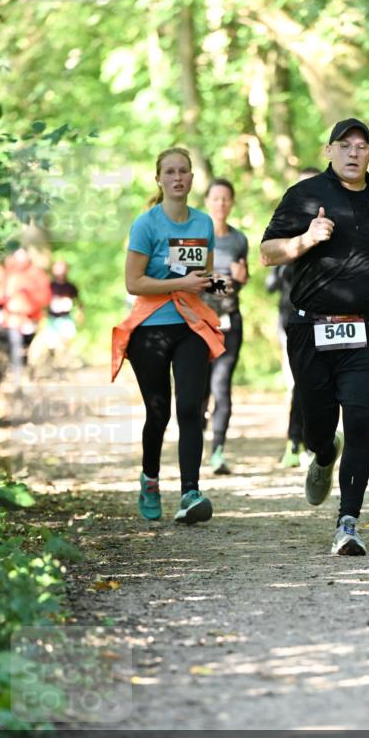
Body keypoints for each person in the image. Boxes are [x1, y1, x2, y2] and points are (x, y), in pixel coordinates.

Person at [261, 118, 369, 556]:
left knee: (359, 420)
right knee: (318, 424)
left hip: (367, 327)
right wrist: (305, 239)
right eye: (345, 145)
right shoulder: (305, 195)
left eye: (362, 146)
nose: (354, 153)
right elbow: (266, 253)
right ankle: (323, 453)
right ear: (329, 150)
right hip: (311, 327)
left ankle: (348, 522)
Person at [111, 146, 226, 524]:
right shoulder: (147, 224)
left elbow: (202, 279)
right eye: (170, 172)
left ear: (192, 178)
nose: (178, 178)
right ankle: (150, 480)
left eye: (184, 171)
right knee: (157, 413)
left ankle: (191, 492)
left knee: (190, 407)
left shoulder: (204, 223)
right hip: (150, 328)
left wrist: (222, 284)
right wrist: (181, 282)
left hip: (190, 325)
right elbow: (133, 282)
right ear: (159, 179)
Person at [265, 167, 321, 468]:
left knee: (321, 384)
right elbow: (270, 277)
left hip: (327, 319)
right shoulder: (285, 228)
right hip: (290, 318)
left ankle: (317, 442)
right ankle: (294, 442)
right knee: (299, 382)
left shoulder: (333, 224)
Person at [201, 178, 249, 476]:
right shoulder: (195, 237)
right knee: (197, 391)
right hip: (198, 323)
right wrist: (223, 283)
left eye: (225, 199)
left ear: (231, 203)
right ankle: (196, 435)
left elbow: (240, 281)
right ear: (207, 201)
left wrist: (239, 280)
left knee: (222, 387)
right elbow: (191, 282)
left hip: (230, 322)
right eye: (216, 198)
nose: (220, 204)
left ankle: (217, 450)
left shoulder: (238, 239)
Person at [0, 246, 51, 387]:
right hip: (12, 318)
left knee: (25, 346)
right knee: (15, 344)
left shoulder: (37, 274)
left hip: (31, 318)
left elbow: (45, 296)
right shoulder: (8, 273)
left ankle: (24, 371)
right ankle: (17, 378)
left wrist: (29, 297)